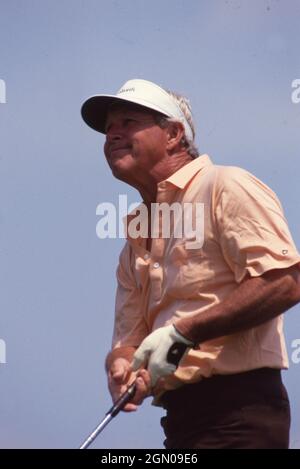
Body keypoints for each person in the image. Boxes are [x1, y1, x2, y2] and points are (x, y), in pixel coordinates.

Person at [81, 79, 300, 449]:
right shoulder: (135, 238)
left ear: (173, 134)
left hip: (241, 415)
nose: (112, 134)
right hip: (182, 423)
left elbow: (285, 281)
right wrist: (119, 366)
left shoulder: (224, 186)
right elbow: (128, 343)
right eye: (108, 129)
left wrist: (185, 333)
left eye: (127, 122)